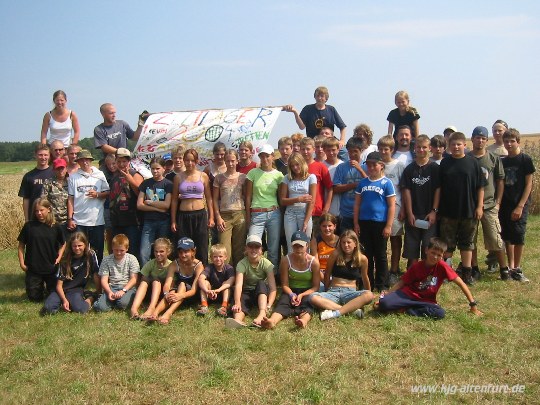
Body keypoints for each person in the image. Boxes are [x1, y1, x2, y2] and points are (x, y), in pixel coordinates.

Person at [377, 238, 483, 319]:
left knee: (440, 313)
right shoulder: (417, 266)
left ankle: (407, 310)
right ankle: (403, 307)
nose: (435, 257)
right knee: (384, 303)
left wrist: (472, 304)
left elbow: (461, 283)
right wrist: (389, 293)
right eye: (433, 253)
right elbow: (401, 283)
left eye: (439, 255)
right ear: (426, 250)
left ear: (443, 256)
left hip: (426, 300)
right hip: (408, 295)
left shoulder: (443, 266)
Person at [438, 132, 486, 285]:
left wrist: (479, 206)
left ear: (465, 146)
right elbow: (438, 188)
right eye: (453, 144)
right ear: (449, 147)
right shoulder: (444, 163)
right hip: (448, 211)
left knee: (467, 243)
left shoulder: (473, 163)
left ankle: (467, 273)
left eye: (459, 144)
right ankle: (446, 272)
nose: (456, 147)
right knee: (447, 243)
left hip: (469, 210)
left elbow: (480, 187)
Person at [468, 126, 508, 280]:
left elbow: (500, 181)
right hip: (471, 206)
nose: (480, 140)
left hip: (490, 204)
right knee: (471, 239)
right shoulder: (467, 158)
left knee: (495, 238)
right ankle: (474, 268)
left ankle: (504, 268)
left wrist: (498, 202)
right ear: (472, 139)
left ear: (486, 140)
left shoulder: (493, 158)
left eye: (483, 138)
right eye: (477, 137)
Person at [353, 151, 396, 291]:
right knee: (367, 254)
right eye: (368, 165)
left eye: (374, 165)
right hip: (364, 222)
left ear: (381, 165)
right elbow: (357, 204)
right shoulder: (363, 183)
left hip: (380, 223)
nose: (371, 168)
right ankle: (368, 282)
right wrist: (356, 223)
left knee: (380, 254)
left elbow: (391, 205)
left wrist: (388, 225)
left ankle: (382, 283)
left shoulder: (386, 183)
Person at [309, 230, 374, 320]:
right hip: (334, 290)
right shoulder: (335, 254)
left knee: (369, 295)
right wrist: (328, 290)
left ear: (355, 243)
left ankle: (335, 313)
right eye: (343, 242)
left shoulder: (362, 259)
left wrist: (368, 292)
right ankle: (350, 310)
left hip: (350, 292)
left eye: (349, 242)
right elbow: (327, 274)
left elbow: (365, 277)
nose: (346, 245)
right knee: (312, 297)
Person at [261, 231, 320, 329]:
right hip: (290, 290)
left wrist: (302, 295)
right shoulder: (285, 260)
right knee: (283, 303)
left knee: (308, 305)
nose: (298, 249)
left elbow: (315, 287)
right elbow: (284, 284)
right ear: (292, 246)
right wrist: (291, 294)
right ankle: (272, 321)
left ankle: (303, 321)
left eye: (301, 246)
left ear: (307, 246)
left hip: (307, 290)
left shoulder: (314, 263)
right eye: (295, 246)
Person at [499, 128, 535, 282]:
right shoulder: (503, 161)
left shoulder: (525, 159)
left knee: (518, 235)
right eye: (506, 141)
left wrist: (520, 206)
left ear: (518, 142)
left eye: (512, 141)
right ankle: (510, 266)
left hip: (519, 203)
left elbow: (528, 184)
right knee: (506, 236)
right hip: (505, 204)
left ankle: (517, 268)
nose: (509, 144)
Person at [400, 135, 440, 269]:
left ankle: (427, 273)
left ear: (430, 148)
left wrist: (434, 211)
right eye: (418, 147)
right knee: (412, 248)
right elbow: (406, 192)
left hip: (429, 214)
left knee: (428, 246)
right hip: (414, 214)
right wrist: (409, 212)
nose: (421, 150)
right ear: (414, 148)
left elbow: (438, 190)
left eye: (424, 147)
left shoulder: (434, 168)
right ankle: (412, 274)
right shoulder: (409, 169)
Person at [171, 149, 214, 265]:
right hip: (183, 216)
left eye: (192, 160)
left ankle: (202, 275)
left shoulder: (203, 176)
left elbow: (209, 198)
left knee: (202, 245)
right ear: (184, 161)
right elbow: (174, 200)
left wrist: (211, 217)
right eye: (187, 160)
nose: (189, 163)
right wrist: (173, 220)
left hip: (200, 215)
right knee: (183, 246)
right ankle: (184, 275)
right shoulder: (178, 177)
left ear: (197, 161)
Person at [245, 144, 284, 274]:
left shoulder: (279, 175)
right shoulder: (253, 173)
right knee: (253, 244)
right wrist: (248, 216)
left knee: (273, 248)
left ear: (272, 156)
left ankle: (273, 275)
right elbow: (248, 196)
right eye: (262, 156)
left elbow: (280, 197)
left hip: (274, 213)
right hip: (257, 213)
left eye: (267, 156)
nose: (265, 159)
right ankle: (253, 274)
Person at [67, 149, 110, 265]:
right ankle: (81, 273)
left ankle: (97, 273)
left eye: (87, 159)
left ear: (91, 160)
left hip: (97, 220)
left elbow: (107, 192)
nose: (85, 162)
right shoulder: (73, 177)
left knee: (98, 250)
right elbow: (70, 198)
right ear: (78, 162)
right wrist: (70, 218)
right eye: (82, 160)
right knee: (79, 249)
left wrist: (98, 194)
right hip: (79, 220)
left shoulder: (99, 175)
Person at [17, 198, 66, 301]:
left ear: (48, 209)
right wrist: (22, 263)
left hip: (51, 267)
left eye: (41, 210)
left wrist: (59, 257)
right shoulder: (29, 226)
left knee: (53, 295)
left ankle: (47, 289)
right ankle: (37, 289)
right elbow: (21, 246)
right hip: (33, 268)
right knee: (35, 298)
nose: (39, 213)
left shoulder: (55, 227)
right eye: (36, 211)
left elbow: (63, 244)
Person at [225, 235, 277, 328]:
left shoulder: (267, 264)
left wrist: (269, 305)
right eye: (250, 246)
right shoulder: (242, 264)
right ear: (246, 249)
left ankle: (262, 314)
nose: (253, 250)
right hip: (247, 290)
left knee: (261, 283)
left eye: (256, 247)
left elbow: (273, 288)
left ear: (261, 249)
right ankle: (237, 320)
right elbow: (238, 285)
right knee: (240, 302)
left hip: (262, 293)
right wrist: (237, 302)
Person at [149, 237, 204, 325]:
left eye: (186, 252)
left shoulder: (198, 266)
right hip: (176, 294)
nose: (183, 255)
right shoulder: (174, 264)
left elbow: (194, 290)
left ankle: (168, 313)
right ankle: (155, 313)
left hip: (189, 295)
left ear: (193, 251)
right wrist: (167, 294)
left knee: (182, 284)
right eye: (181, 252)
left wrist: (180, 295)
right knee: (172, 290)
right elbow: (167, 283)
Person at [43, 232, 98, 314]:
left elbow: (96, 274)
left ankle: (90, 297)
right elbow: (59, 285)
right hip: (60, 290)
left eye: (80, 245)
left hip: (75, 289)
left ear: (85, 245)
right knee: (48, 309)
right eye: (74, 246)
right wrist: (64, 300)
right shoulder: (65, 259)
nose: (77, 248)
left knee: (81, 310)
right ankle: (59, 301)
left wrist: (99, 292)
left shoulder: (90, 255)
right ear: (71, 246)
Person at [378, 135, 406, 285]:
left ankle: (394, 270)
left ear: (392, 150)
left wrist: (404, 209)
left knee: (395, 239)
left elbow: (404, 188)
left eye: (386, 149)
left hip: (396, 207)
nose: (383, 152)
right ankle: (382, 270)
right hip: (380, 208)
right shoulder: (376, 165)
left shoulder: (398, 165)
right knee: (381, 241)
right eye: (381, 149)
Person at [213, 149, 247, 267]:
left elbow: (247, 198)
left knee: (239, 247)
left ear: (237, 161)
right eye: (228, 161)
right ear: (225, 161)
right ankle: (227, 275)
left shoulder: (243, 177)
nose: (230, 163)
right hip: (224, 216)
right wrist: (218, 217)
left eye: (233, 160)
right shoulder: (219, 178)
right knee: (224, 248)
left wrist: (247, 215)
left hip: (240, 214)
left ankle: (239, 276)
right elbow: (214, 199)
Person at [108, 148, 143, 261]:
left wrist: (130, 179)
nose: (122, 164)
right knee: (118, 250)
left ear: (129, 162)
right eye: (119, 161)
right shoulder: (114, 176)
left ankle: (134, 276)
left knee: (132, 250)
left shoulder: (135, 174)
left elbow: (140, 193)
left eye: (124, 161)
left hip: (132, 220)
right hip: (117, 220)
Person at [137, 157, 173, 266]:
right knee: (144, 252)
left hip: (164, 222)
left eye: (157, 168)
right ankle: (146, 276)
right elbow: (139, 205)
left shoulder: (168, 184)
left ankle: (163, 273)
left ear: (163, 169)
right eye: (152, 169)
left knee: (162, 251)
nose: (155, 171)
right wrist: (157, 208)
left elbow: (166, 205)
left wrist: (149, 202)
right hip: (148, 222)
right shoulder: (146, 183)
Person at [279, 152, 317, 251]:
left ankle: (306, 266)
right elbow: (282, 200)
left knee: (305, 244)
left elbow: (312, 201)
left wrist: (306, 221)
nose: (295, 168)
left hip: (305, 214)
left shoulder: (311, 177)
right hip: (290, 214)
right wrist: (298, 199)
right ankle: (291, 266)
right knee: (291, 244)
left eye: (297, 164)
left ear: (302, 163)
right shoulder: (287, 178)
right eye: (292, 166)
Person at [94, 234, 140, 312]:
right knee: (100, 308)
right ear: (112, 248)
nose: (118, 253)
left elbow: (134, 279)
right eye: (116, 250)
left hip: (127, 287)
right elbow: (104, 280)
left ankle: (116, 302)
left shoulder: (132, 259)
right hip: (112, 287)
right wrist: (109, 292)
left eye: (121, 250)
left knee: (122, 304)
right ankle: (107, 300)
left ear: (127, 248)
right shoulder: (106, 260)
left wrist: (123, 291)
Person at [130, 238, 172, 320]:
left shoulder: (171, 265)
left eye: (161, 251)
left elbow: (171, 284)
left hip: (164, 294)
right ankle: (134, 309)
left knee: (156, 281)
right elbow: (143, 279)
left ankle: (151, 308)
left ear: (168, 251)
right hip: (151, 293)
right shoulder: (151, 263)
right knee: (144, 282)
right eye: (156, 251)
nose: (158, 254)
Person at [300, 137, 333, 236]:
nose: (305, 152)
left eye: (308, 149)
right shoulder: (296, 167)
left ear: (313, 149)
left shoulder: (320, 167)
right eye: (303, 149)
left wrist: (326, 209)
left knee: (316, 241)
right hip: (299, 211)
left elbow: (330, 188)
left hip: (316, 212)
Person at [333, 137, 367, 233]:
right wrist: (354, 185)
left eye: (355, 151)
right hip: (346, 213)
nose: (352, 154)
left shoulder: (367, 166)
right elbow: (336, 188)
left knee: (361, 244)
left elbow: (371, 185)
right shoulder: (341, 167)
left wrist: (359, 169)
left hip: (363, 213)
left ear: (362, 150)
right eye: (350, 151)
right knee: (346, 243)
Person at [196, 244, 235, 317]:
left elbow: (231, 280)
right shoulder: (209, 267)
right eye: (215, 256)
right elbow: (201, 278)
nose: (218, 259)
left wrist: (219, 289)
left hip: (224, 294)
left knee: (226, 285)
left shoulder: (229, 268)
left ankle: (224, 307)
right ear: (211, 258)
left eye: (220, 256)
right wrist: (207, 291)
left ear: (225, 257)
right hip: (211, 294)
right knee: (205, 283)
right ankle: (204, 305)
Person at [18, 144, 53, 222]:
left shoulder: (55, 173)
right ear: (35, 155)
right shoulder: (29, 176)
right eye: (40, 155)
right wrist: (27, 219)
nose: (43, 158)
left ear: (49, 155)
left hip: (52, 217)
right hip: (35, 216)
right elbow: (26, 199)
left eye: (45, 155)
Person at [41, 158, 69, 238]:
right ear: (54, 170)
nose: (60, 171)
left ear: (66, 169)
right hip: (53, 220)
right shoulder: (48, 183)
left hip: (67, 221)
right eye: (58, 169)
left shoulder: (71, 182)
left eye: (62, 168)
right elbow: (43, 202)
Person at [310, 213, 339, 286]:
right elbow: (315, 265)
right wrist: (325, 281)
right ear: (320, 227)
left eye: (329, 226)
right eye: (324, 226)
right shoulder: (315, 241)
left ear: (334, 226)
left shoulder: (340, 241)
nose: (327, 229)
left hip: (336, 274)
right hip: (320, 274)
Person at [322, 137, 343, 217]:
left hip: (341, 206)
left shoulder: (343, 165)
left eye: (333, 150)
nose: (331, 153)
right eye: (328, 150)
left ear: (338, 149)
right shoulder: (322, 166)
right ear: (324, 150)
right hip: (325, 204)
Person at [101, 154, 118, 254]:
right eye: (108, 165)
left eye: (113, 163)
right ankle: (111, 254)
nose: (111, 166)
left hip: (119, 208)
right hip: (107, 207)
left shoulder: (122, 174)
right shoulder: (104, 175)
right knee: (109, 232)